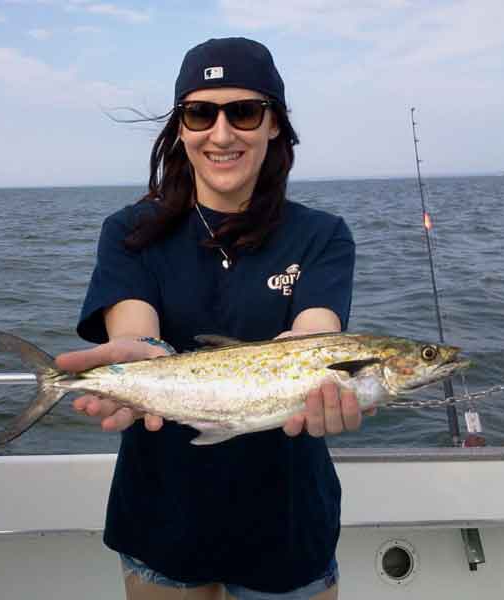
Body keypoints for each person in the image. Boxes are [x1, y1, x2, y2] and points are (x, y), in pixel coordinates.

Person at [55, 37, 372, 600]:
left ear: (274, 124)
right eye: (200, 112)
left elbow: (316, 334)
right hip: (161, 514)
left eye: (244, 112)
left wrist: (320, 374)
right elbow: (134, 332)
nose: (221, 134)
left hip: (289, 522)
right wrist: (136, 360)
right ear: (181, 126)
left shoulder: (322, 235)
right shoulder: (130, 232)